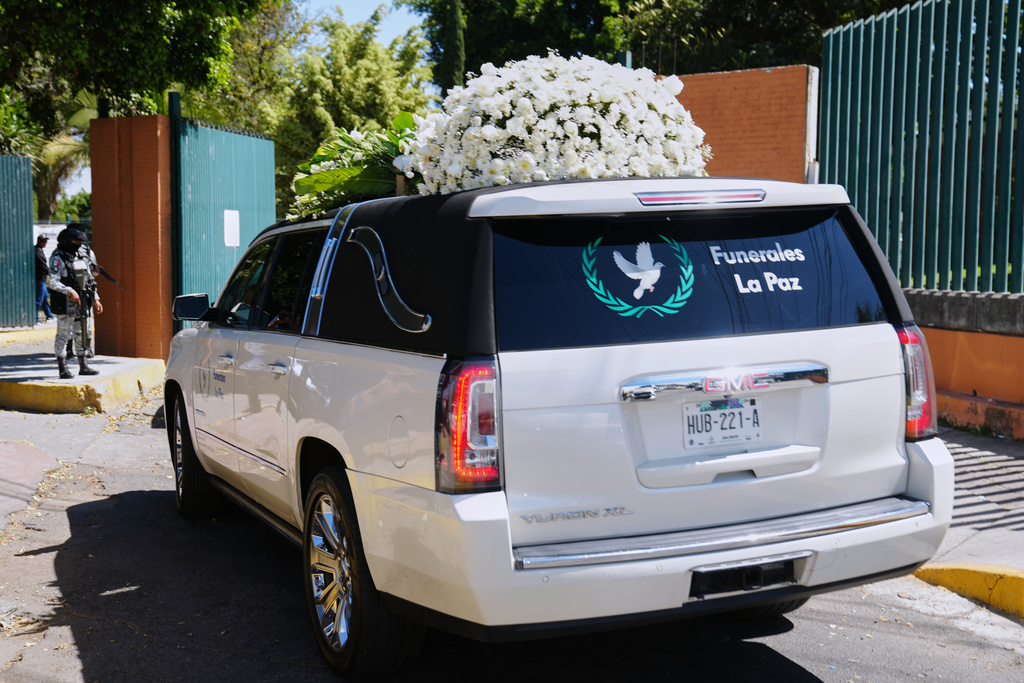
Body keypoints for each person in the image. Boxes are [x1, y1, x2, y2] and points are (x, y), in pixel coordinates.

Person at [47, 227, 103, 379]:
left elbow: (89, 281)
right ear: (67, 241)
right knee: (63, 335)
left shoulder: (81, 256)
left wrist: (96, 299)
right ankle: (63, 368)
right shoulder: (57, 258)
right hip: (65, 303)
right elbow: (53, 282)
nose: (78, 244)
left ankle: (83, 365)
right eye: (75, 241)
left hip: (83, 302)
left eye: (80, 241)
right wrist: (69, 291)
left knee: (81, 333)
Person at [34, 235, 54, 321]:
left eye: (46, 241)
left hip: (42, 279)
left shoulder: (39, 250)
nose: (45, 243)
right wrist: (51, 273)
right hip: (39, 279)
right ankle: (35, 318)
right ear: (39, 241)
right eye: (43, 241)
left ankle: (49, 315)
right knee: (39, 299)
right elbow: (43, 265)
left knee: (45, 297)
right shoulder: (37, 251)